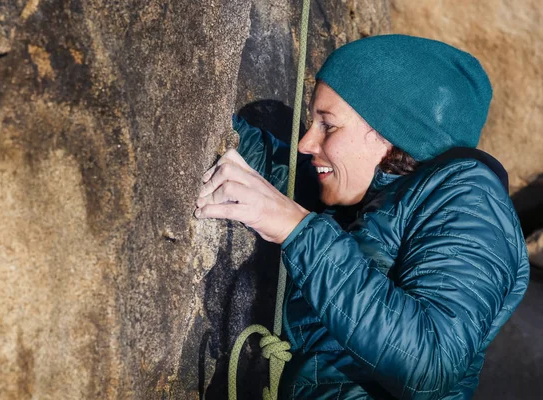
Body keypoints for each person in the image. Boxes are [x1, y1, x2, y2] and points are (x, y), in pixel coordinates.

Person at [195, 34, 530, 399]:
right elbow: (273, 164)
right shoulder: (366, 199)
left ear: (393, 133)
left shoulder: (470, 196)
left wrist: (298, 231)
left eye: (328, 125)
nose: (307, 143)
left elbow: (432, 363)